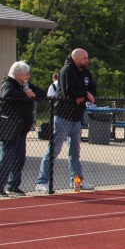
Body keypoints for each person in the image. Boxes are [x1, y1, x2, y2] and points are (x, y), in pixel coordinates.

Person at [36, 48, 96, 191]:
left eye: (87, 58)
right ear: (76, 58)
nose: (87, 61)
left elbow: (93, 90)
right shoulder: (66, 71)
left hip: (76, 118)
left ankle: (76, 181)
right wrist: (84, 93)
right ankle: (42, 182)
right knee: (54, 150)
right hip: (62, 117)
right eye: (84, 58)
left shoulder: (86, 73)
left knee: (75, 152)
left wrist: (84, 94)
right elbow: (68, 90)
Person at [0, 62, 41, 197]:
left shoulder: (25, 85)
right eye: (26, 74)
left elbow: (42, 92)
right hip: (10, 128)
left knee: (19, 159)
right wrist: (24, 94)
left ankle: (13, 185)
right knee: (7, 158)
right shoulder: (8, 84)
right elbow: (6, 94)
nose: (28, 76)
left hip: (22, 129)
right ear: (18, 74)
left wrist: (32, 93)